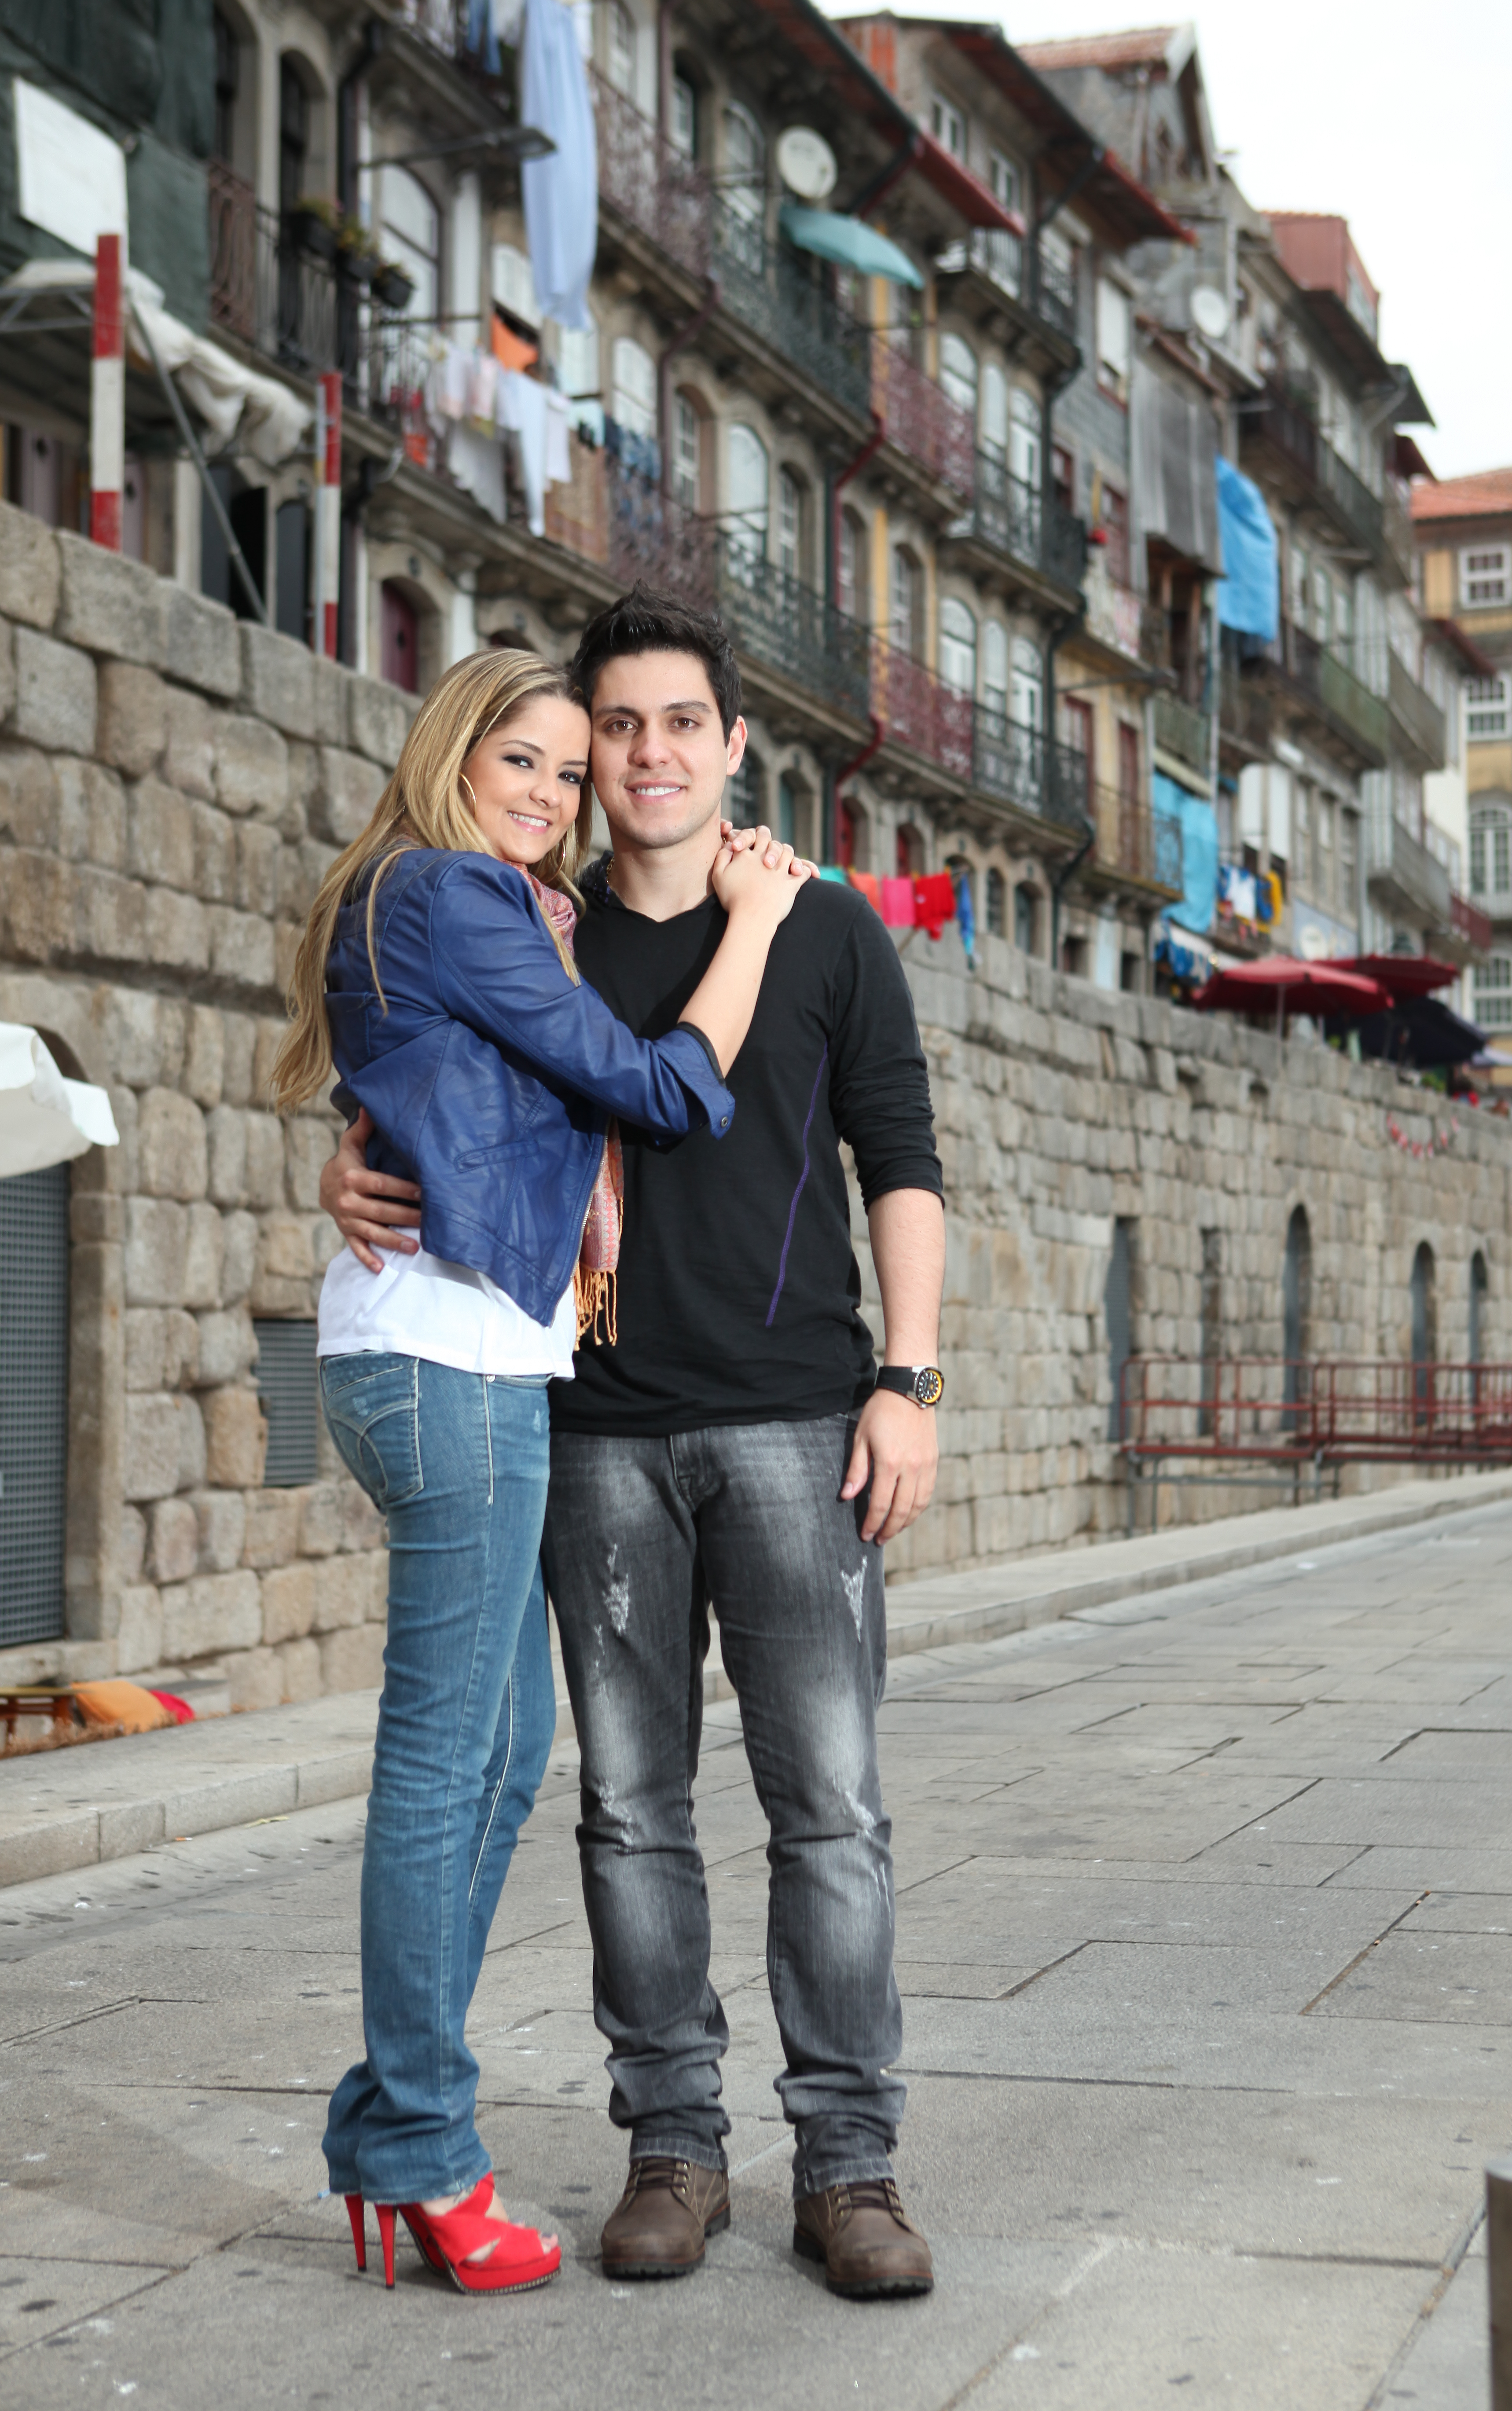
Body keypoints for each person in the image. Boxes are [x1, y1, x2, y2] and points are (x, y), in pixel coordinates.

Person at [323, 587, 947, 2301]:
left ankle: (852, 2167)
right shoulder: (538, 919)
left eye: (684, 722)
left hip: (801, 1419)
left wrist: (914, 1378)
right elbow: (433, 1056)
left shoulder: (820, 933)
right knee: (628, 1811)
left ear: (734, 745)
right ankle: (673, 2150)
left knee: (829, 1806)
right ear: (588, 753)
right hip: (591, 1428)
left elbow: (901, 1162)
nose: (645, 752)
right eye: (616, 727)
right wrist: (345, 1149)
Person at [272, 645, 805, 2295]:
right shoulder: (451, 893)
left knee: (504, 1752)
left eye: (570, 773)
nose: (554, 793)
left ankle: (390, 2122)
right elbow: (660, 1091)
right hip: (443, 1366)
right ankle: (425, 2147)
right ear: (453, 749)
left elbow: (439, 1089)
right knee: (449, 1766)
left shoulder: (451, 905)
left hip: (446, 1358)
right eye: (526, 757)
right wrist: (762, 926)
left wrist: (355, 1155)